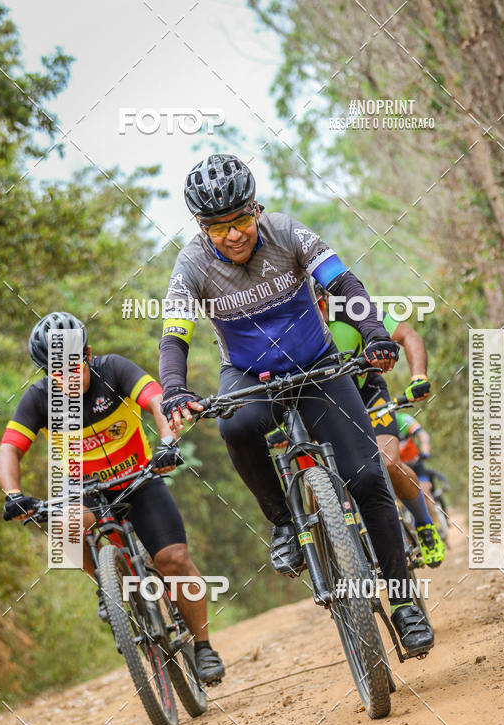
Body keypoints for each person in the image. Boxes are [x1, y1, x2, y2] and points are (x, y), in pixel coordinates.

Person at [159, 154, 434, 655]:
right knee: (235, 426)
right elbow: (174, 336)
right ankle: (284, 523)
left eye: (241, 220)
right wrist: (175, 389)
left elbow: (343, 284)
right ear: (201, 227)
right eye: (218, 228)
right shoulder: (191, 264)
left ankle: (404, 603)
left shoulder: (286, 232)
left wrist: (374, 332)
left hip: (316, 363)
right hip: (249, 373)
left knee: (368, 478)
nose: (233, 235)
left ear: (255, 209)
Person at [0, 311, 225, 684]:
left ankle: (203, 647)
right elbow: (9, 449)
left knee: (174, 560)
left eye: (74, 366)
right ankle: (106, 583)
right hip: (83, 489)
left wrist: (168, 442)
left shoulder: (114, 369)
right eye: (56, 372)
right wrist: (14, 494)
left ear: (88, 354)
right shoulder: (39, 398)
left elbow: (157, 400)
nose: (67, 378)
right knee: (64, 524)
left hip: (137, 480)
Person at [316, 284, 445, 567]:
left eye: (320, 303)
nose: (317, 311)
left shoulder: (350, 309)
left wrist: (418, 376)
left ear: (326, 299)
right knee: (326, 471)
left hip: (367, 393)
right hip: (322, 403)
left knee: (387, 463)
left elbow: (408, 335)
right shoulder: (288, 324)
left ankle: (424, 523)